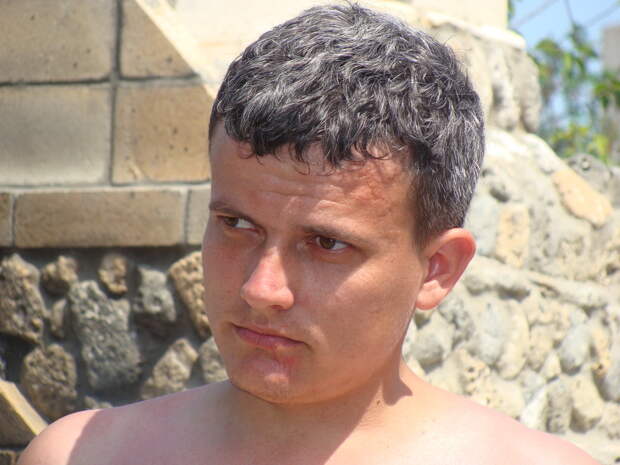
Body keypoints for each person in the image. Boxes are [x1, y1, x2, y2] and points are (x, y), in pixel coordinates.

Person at [19, 3, 600, 464]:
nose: (261, 289)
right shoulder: (82, 455)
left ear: (437, 269)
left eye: (327, 244)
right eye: (236, 225)